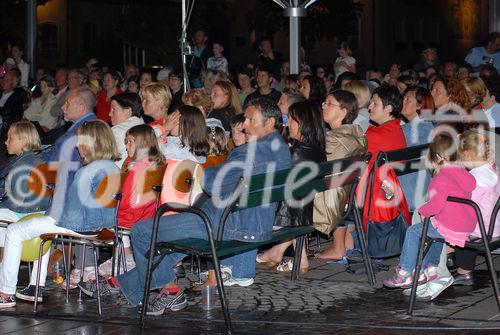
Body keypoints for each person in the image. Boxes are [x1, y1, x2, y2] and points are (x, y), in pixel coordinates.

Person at [79, 98, 292, 315]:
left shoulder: (249, 152)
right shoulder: (282, 149)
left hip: (224, 224)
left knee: (141, 231)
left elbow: (210, 182)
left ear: (270, 122)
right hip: (253, 222)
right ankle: (121, 284)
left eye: (250, 119)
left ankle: (171, 291)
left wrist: (204, 173)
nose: (244, 124)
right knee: (169, 250)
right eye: (245, 118)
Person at [0, 120, 120, 307]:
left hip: (83, 226)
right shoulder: (114, 168)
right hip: (105, 227)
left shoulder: (86, 172)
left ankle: (6, 293)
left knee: (15, 231)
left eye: (80, 141)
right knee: (41, 226)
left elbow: (70, 216)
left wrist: (50, 216)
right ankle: (35, 288)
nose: (77, 145)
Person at [383, 132, 476, 298]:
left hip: (451, 225)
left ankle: (404, 273)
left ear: (438, 157)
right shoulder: (464, 174)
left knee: (414, 232)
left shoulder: (440, 178)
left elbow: (436, 205)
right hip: (467, 225)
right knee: (435, 229)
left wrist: (423, 211)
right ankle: (432, 268)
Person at [256, 101, 326, 272]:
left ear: (304, 123)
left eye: (291, 121)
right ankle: (279, 253)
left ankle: (294, 258)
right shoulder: (318, 150)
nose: (287, 124)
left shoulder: (296, 153)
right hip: (307, 209)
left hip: (279, 214)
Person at [99, 124, 166, 276]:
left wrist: (108, 203)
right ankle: (123, 256)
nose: (126, 146)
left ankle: (125, 257)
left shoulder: (136, 169)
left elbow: (126, 201)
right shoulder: (156, 164)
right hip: (149, 214)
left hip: (133, 216)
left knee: (98, 217)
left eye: (130, 142)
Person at [313, 90, 367, 260]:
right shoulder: (356, 134)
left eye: (329, 103)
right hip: (348, 196)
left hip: (330, 199)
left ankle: (289, 253)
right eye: (324, 102)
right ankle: (343, 244)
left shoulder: (332, 140)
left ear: (343, 112)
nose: (323, 106)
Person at [359, 86, 410, 236]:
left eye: (374, 103)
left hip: (372, 194)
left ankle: (341, 245)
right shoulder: (396, 130)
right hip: (390, 192)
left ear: (388, 108)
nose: (369, 107)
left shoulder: (376, 135)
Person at [452, 130, 499, 286]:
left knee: (450, 225)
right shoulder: (493, 169)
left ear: (467, 155)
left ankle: (459, 272)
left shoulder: (474, 179)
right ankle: (457, 262)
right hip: (496, 224)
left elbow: (464, 204)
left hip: (482, 230)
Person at [0, 121, 50, 247]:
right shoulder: (37, 158)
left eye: (10, 138)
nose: (6, 142)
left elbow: (17, 202)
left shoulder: (22, 164)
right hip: (42, 211)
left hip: (27, 212)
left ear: (23, 141)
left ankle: (4, 259)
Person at [399, 86, 435, 212]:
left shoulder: (405, 131)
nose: (403, 102)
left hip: (408, 195)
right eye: (403, 99)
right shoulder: (431, 127)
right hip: (428, 191)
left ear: (420, 106)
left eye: (408, 99)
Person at [109, 92, 145, 168]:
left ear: (128, 111)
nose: (109, 114)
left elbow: (116, 165)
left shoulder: (116, 131)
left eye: (114, 110)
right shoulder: (143, 124)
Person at [0, 69, 29, 161]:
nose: (3, 81)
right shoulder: (0, 94)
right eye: (3, 79)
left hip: (6, 127)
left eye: (7, 80)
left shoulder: (18, 96)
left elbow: (15, 115)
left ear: (14, 83)